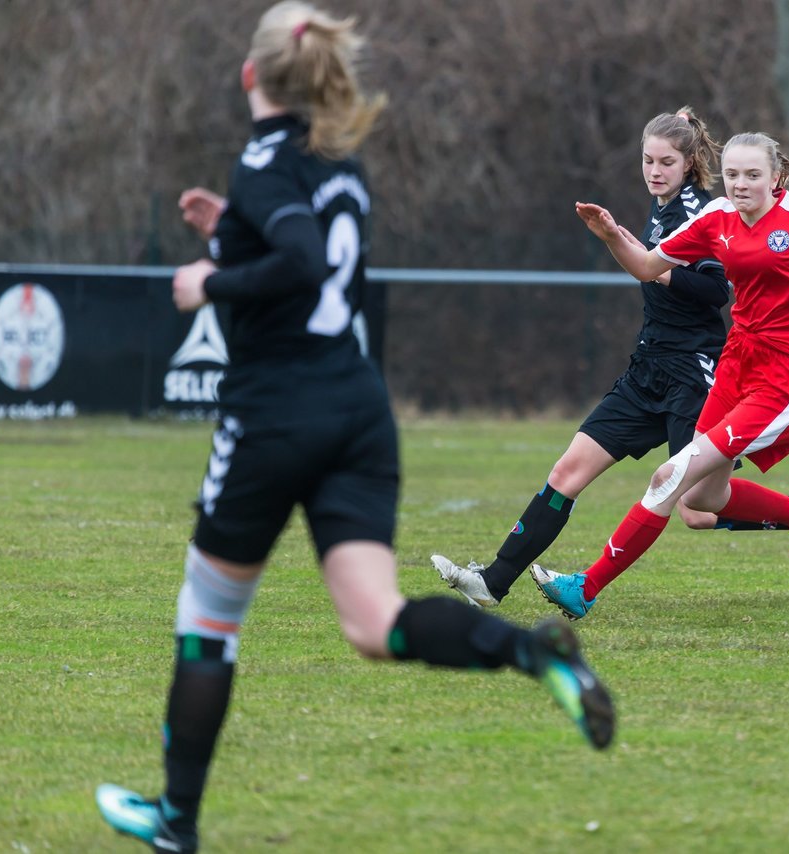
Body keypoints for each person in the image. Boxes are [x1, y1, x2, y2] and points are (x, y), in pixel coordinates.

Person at [94, 4, 614, 851]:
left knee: (209, 618)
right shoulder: (342, 165)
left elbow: (296, 261)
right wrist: (230, 226)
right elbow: (309, 254)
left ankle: (176, 821)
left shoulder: (263, 160)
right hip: (357, 410)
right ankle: (532, 655)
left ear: (250, 76)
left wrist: (208, 282)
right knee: (375, 624)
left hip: (277, 412)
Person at [431, 109, 789, 609]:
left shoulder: (702, 211)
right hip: (646, 369)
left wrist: (650, 266)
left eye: (666, 162)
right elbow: (650, 259)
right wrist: (619, 237)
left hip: (693, 375)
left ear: (689, 162)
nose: (654, 170)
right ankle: (493, 582)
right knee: (567, 473)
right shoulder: (663, 203)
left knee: (696, 509)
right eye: (647, 160)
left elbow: (716, 289)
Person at [529, 132, 789, 620]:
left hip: (784, 376)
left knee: (669, 476)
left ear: (776, 178)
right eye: (732, 174)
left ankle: (586, 585)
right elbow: (648, 267)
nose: (740, 184)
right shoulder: (715, 219)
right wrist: (610, 236)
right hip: (736, 364)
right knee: (699, 501)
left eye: (753, 175)